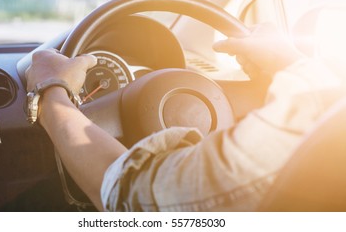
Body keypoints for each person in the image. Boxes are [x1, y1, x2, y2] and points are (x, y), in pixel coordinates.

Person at [25, 24, 345, 211]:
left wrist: (52, 91)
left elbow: (125, 194)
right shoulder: (326, 120)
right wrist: (291, 62)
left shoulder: (289, 142)